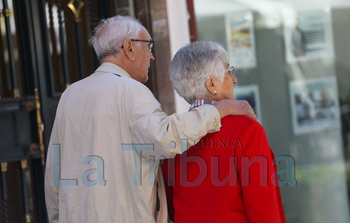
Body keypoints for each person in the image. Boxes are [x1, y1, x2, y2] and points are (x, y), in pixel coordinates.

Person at [44, 16, 256, 223]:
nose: (152, 57)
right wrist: (218, 110)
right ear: (129, 48)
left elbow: (54, 176)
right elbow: (166, 139)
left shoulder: (71, 95)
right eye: (149, 47)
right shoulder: (130, 90)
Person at [162, 41, 286, 223]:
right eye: (229, 72)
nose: (234, 79)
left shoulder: (171, 136)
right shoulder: (246, 130)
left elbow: (171, 207)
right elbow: (264, 210)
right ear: (212, 84)